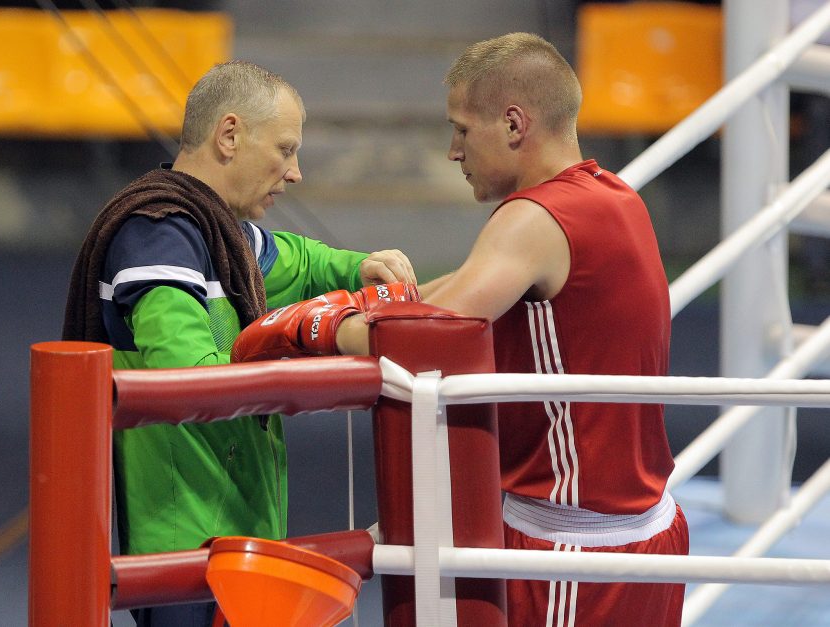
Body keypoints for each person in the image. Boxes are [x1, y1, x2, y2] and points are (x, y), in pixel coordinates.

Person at [232, 33, 689, 627]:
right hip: (641, 528)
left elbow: (430, 334)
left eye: (463, 129)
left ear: (514, 124)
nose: (453, 151)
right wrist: (362, 303)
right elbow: (439, 298)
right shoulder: (613, 197)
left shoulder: (534, 218)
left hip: (576, 548)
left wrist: (311, 326)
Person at [62, 60, 417, 627]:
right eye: (285, 149)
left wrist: (360, 266)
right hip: (186, 546)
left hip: (234, 529)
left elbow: (299, 264)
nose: (295, 172)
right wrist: (303, 339)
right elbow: (190, 378)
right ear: (229, 136)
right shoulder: (157, 232)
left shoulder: (221, 234)